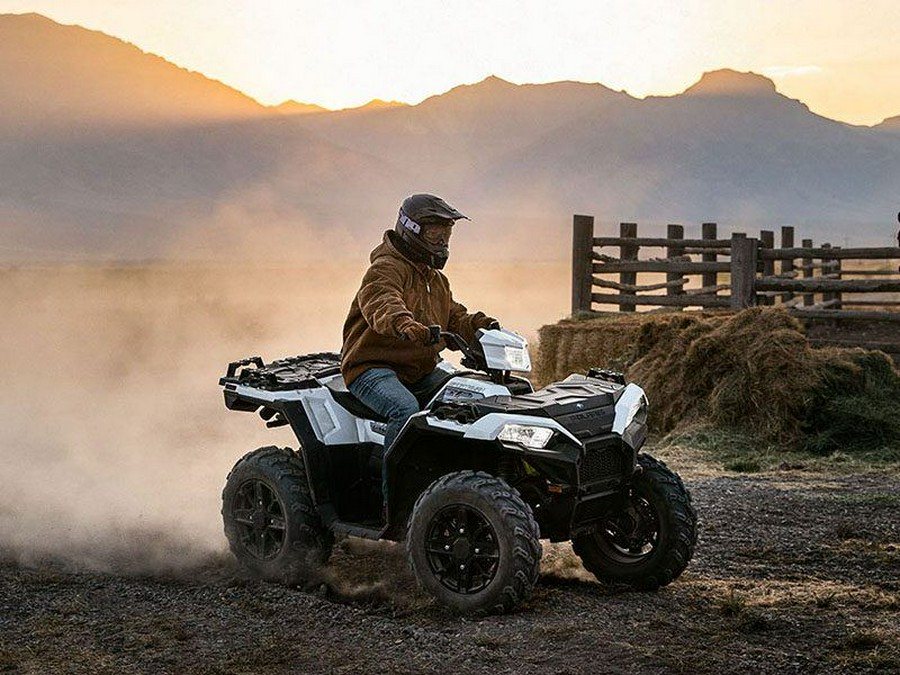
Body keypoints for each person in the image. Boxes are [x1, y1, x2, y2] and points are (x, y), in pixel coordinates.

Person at [340, 194, 499, 499]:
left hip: (420, 370)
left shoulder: (435, 279)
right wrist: (405, 324)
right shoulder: (385, 269)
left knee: (470, 399)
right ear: (411, 230)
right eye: (435, 232)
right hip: (372, 368)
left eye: (447, 232)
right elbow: (381, 301)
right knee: (405, 409)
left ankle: (450, 483)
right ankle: (396, 498)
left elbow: (455, 316)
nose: (442, 240)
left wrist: (481, 326)